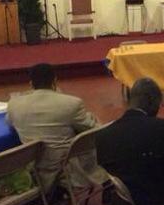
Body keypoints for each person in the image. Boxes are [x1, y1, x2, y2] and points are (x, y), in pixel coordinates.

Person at [6, 63, 105, 194]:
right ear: (55, 81)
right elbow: (93, 129)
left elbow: (9, 123)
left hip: (33, 165)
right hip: (65, 165)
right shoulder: (71, 103)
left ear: (31, 84)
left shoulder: (14, 104)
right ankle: (106, 183)